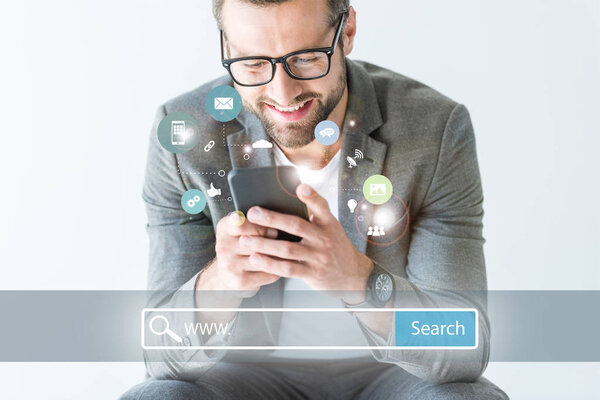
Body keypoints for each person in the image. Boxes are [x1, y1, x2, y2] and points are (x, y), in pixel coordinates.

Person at [121, 0, 508, 398]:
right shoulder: (184, 141)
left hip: (394, 377)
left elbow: (464, 347)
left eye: (305, 58)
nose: (282, 93)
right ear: (226, 47)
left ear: (348, 32)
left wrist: (360, 281)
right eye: (253, 64)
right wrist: (220, 283)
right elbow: (159, 353)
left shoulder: (434, 131)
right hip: (245, 379)